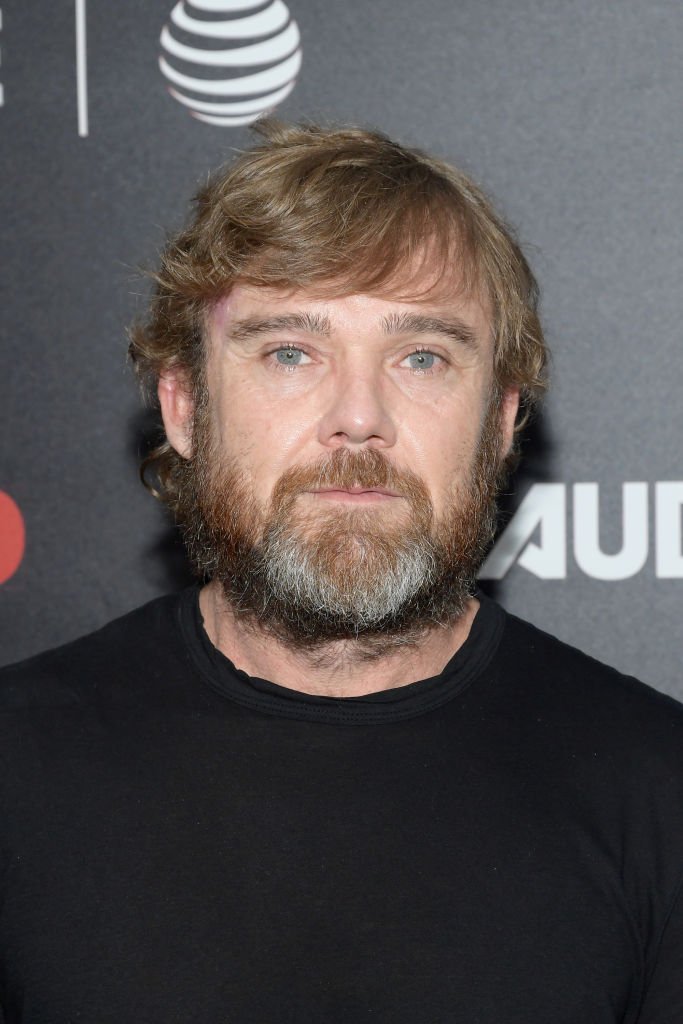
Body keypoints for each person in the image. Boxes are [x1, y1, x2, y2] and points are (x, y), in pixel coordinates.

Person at [0, 121, 681, 1024]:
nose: (358, 418)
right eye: (291, 351)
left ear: (501, 420)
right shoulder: (18, 764)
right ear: (184, 408)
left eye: (421, 357)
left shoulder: (657, 787)